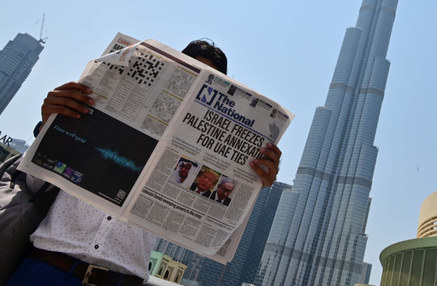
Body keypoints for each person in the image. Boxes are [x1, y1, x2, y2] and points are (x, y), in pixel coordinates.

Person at [6, 39, 282, 286]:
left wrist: (254, 183)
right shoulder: (97, 109)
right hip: (46, 268)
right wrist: (50, 124)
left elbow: (208, 236)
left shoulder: (196, 166)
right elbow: (34, 184)